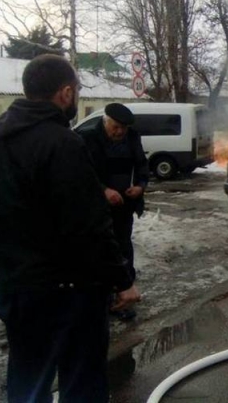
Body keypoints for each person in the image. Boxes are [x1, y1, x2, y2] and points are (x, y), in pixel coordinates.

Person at [0, 54, 140, 402]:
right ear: (65, 93)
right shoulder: (63, 142)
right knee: (81, 383)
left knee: (28, 381)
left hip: (17, 287)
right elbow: (88, 225)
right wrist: (121, 280)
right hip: (70, 292)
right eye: (76, 90)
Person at [77, 103, 149, 321]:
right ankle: (102, 296)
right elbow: (82, 172)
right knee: (99, 250)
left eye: (123, 128)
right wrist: (104, 190)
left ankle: (122, 296)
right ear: (105, 121)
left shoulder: (132, 137)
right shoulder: (87, 138)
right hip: (96, 208)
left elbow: (142, 165)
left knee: (123, 248)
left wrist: (140, 186)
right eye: (115, 127)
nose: (120, 132)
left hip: (124, 205)